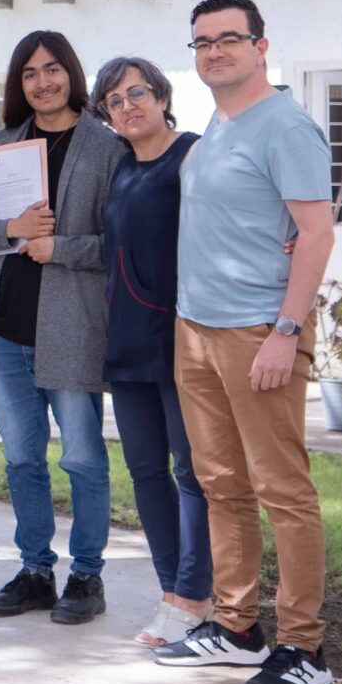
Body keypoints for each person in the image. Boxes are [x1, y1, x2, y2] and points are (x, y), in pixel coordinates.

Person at [152, 0, 339, 684]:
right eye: (202, 42)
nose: (214, 51)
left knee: (282, 489)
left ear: (262, 45)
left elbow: (316, 235)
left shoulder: (285, 126)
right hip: (195, 328)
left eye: (229, 38)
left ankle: (304, 644)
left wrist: (286, 333)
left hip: (260, 331)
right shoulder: (220, 122)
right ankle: (236, 628)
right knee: (220, 481)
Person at [0, 30, 119, 625]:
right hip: (5, 333)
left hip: (72, 328)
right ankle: (34, 572)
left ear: (71, 74)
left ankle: (87, 575)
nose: (42, 81)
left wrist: (61, 248)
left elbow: (118, 243)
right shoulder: (2, 147)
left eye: (52, 69)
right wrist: (13, 227)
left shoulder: (105, 147)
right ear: (18, 84)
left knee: (80, 458)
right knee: (22, 459)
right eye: (29, 73)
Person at [93, 55, 213, 649]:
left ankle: (196, 595)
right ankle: (173, 594)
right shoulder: (119, 168)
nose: (128, 106)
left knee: (192, 473)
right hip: (127, 342)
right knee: (145, 472)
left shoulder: (192, 154)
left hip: (180, 342)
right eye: (114, 101)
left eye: (136, 93)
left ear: (162, 95)